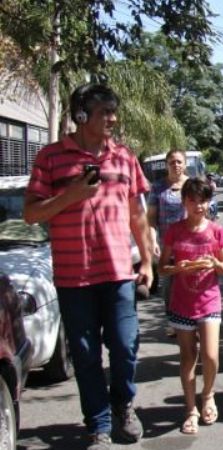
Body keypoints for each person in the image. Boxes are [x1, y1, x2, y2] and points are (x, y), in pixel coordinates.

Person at [23, 83, 153, 450]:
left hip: (117, 274)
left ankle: (123, 405)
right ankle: (98, 424)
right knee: (85, 355)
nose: (112, 118)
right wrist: (71, 195)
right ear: (81, 115)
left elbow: (137, 214)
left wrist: (147, 260)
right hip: (72, 276)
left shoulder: (125, 156)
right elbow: (31, 213)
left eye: (114, 111)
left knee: (126, 347)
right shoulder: (50, 157)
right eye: (103, 112)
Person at [157, 178, 223, 435]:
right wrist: (178, 268)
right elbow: (162, 268)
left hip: (210, 300)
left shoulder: (217, 231)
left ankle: (208, 395)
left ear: (208, 202)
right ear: (184, 201)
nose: (198, 205)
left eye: (203, 200)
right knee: (188, 357)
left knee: (210, 355)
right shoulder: (175, 231)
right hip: (182, 302)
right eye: (192, 200)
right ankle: (190, 409)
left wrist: (214, 264)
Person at [148, 149, 190, 337]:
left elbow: (204, 212)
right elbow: (150, 218)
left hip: (190, 245)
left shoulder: (193, 185)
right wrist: (152, 239)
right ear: (166, 165)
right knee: (169, 288)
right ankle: (174, 321)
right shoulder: (157, 187)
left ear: (185, 164)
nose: (176, 165)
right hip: (167, 246)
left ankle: (192, 321)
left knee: (191, 283)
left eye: (179, 161)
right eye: (172, 162)